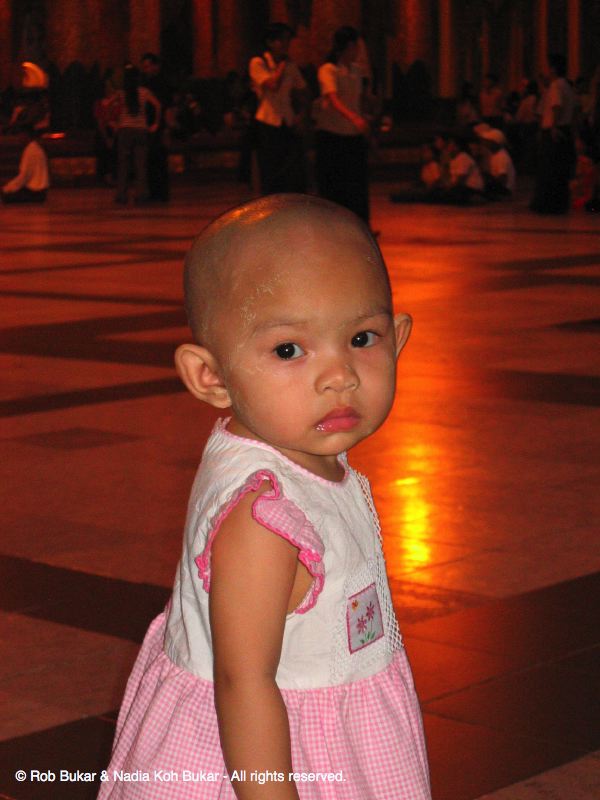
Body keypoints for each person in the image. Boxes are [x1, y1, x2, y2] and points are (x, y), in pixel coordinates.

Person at [97, 194, 432, 800]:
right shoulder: (265, 516)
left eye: (362, 337)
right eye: (288, 350)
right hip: (276, 759)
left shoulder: (298, 456)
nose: (340, 375)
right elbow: (242, 682)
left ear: (399, 336)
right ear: (212, 377)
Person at [315, 26, 371, 225]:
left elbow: (358, 99)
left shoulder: (356, 71)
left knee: (357, 185)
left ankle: (360, 227)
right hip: (332, 135)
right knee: (334, 186)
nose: (357, 52)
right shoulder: (328, 70)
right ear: (345, 47)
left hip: (352, 135)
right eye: (354, 47)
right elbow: (332, 98)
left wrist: (363, 117)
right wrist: (353, 117)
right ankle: (333, 227)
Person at [249, 23, 307, 194]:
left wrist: (301, 114)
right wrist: (281, 65)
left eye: (287, 40)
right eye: (282, 40)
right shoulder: (258, 62)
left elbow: (303, 89)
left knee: (289, 170)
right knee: (269, 170)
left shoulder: (290, 65)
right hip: (267, 121)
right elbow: (272, 85)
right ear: (270, 42)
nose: (286, 44)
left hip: (287, 120)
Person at [530, 53, 576, 214]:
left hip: (554, 131)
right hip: (565, 129)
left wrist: (554, 127)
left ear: (554, 69)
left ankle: (547, 204)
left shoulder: (556, 85)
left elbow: (556, 106)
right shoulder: (567, 85)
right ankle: (559, 203)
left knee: (549, 169)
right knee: (560, 170)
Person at [112, 64, 161, 205]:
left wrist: (114, 122)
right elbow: (157, 105)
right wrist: (155, 123)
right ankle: (142, 194)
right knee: (141, 164)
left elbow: (108, 105)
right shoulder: (144, 92)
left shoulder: (121, 93)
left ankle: (121, 194)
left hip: (125, 130)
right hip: (141, 130)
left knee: (123, 164)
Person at [140, 52, 171, 202]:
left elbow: (165, 106)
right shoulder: (145, 83)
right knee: (150, 160)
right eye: (144, 67)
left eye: (148, 66)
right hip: (147, 125)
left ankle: (161, 193)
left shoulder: (162, 83)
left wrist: (162, 126)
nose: (146, 69)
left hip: (158, 126)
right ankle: (153, 192)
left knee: (159, 159)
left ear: (154, 66)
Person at [2, 126, 49, 203]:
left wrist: (8, 187)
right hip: (40, 191)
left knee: (6, 196)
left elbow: (25, 175)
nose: (19, 138)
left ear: (26, 135)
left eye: (20, 135)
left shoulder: (30, 151)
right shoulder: (35, 148)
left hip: (36, 192)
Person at [477, 127, 516, 198]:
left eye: (487, 141)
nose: (485, 143)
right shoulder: (495, 154)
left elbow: (502, 178)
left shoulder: (502, 156)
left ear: (494, 143)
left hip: (504, 189)